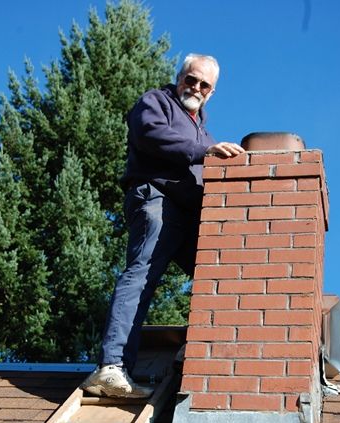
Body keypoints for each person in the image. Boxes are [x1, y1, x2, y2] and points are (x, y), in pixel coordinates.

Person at [81, 53, 244, 398]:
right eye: (191, 79)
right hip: (155, 199)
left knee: (213, 275)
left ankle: (197, 350)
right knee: (141, 274)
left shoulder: (203, 131)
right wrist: (206, 151)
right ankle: (110, 366)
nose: (195, 88)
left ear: (212, 93)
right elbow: (151, 136)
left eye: (204, 85)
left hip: (185, 215)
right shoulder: (156, 103)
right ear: (179, 76)